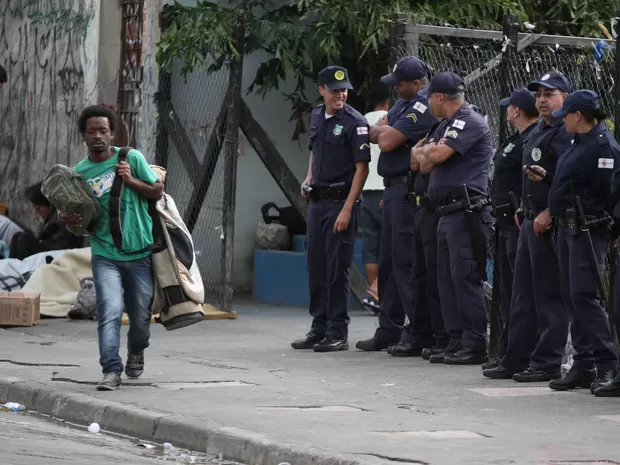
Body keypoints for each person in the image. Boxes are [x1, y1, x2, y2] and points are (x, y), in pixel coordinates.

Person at [57, 105, 164, 391]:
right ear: (83, 136)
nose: (98, 136)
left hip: (139, 253)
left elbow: (157, 191)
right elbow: (76, 220)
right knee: (111, 310)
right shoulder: (78, 174)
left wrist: (131, 180)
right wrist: (65, 218)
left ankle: (137, 351)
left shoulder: (131, 158)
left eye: (103, 131)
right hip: (105, 254)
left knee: (140, 319)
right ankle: (111, 370)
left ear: (112, 133)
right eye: (91, 131)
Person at [526, 90, 620, 394]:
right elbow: (576, 185)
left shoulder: (603, 147)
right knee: (571, 296)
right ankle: (583, 363)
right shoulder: (578, 143)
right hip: (568, 229)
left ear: (578, 115)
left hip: (589, 230)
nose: (560, 117)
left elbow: (610, 192)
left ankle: (607, 364)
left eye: (565, 113)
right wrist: (550, 178)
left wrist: (608, 226)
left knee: (584, 296)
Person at [485, 71, 573, 381]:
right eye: (539, 95)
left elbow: (568, 180)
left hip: (551, 222)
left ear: (564, 97)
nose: (543, 100)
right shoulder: (537, 131)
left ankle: (547, 361)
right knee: (521, 293)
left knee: (548, 294)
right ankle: (516, 357)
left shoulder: (564, 132)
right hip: (528, 219)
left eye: (549, 94)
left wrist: (548, 211)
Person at [356, 56, 436, 353]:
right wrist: (383, 131)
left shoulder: (421, 105)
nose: (395, 89)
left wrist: (384, 132)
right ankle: (388, 328)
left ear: (417, 83)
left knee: (405, 263)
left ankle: (416, 332)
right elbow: (375, 132)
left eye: (400, 84)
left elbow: (386, 142)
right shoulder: (403, 102)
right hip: (391, 190)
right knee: (388, 261)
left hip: (406, 187)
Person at [415, 71, 494, 364]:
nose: (428, 105)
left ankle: (474, 342)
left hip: (466, 210)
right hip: (446, 212)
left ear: (439, 97)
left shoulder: (468, 120)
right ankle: (455, 338)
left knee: (464, 278)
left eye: (429, 99)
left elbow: (432, 158)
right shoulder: (444, 125)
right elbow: (419, 163)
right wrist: (428, 150)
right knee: (446, 279)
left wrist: (428, 151)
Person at [291, 66, 370, 353]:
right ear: (322, 89)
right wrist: (309, 176)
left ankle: (338, 330)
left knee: (337, 267)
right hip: (318, 201)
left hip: (341, 201)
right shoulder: (316, 115)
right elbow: (315, 150)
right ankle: (319, 326)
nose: (341, 94)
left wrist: (348, 209)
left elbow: (362, 169)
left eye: (344, 89)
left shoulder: (354, 122)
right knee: (316, 265)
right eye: (335, 90)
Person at [482, 88, 539, 371]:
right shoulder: (516, 139)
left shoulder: (531, 139)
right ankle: (509, 353)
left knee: (520, 293)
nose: (506, 110)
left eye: (509, 107)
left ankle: (520, 356)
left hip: (517, 223)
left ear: (517, 110)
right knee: (507, 293)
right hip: (503, 223)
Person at [406, 117, 449, 359]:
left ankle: (442, 336)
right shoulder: (436, 127)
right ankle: (421, 333)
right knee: (419, 275)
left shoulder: (460, 125)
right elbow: (415, 162)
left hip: (437, 209)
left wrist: (420, 152)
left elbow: (426, 163)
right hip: (421, 208)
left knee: (436, 276)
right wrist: (419, 152)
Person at [360, 82, 390, 314]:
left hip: (366, 189)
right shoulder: (395, 118)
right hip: (385, 189)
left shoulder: (361, 120)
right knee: (390, 245)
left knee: (371, 244)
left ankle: (375, 293)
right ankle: (379, 293)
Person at [8, 182, 84, 260]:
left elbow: (61, 244)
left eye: (38, 208)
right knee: (17, 236)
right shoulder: (53, 215)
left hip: (62, 253)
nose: (37, 212)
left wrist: (38, 242)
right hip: (52, 249)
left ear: (48, 203)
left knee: (25, 238)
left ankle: (22, 269)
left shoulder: (64, 215)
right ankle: (11, 267)